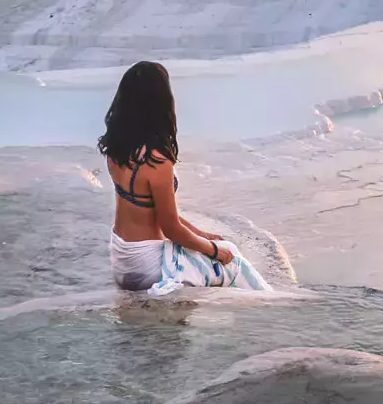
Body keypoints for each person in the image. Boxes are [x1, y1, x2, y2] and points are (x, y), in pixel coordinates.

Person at [99, 60, 270, 295]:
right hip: (147, 265)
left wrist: (201, 234)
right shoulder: (156, 159)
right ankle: (274, 307)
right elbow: (170, 228)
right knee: (233, 260)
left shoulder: (116, 149)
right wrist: (213, 250)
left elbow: (156, 214)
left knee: (218, 246)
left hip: (122, 259)